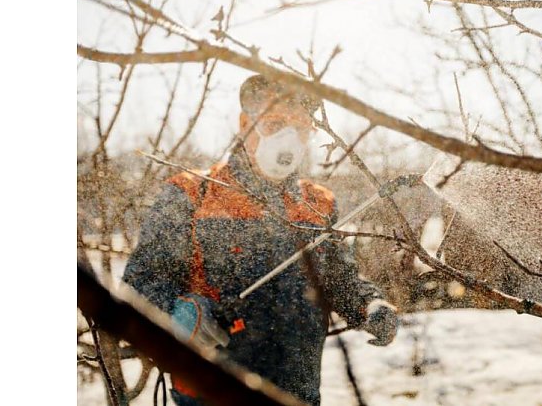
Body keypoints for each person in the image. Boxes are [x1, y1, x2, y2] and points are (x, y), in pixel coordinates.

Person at [122, 74, 398, 405]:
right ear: (245, 124)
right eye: (275, 124)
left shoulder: (318, 203)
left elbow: (338, 278)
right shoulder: (191, 194)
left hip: (297, 390)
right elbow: (141, 283)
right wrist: (177, 314)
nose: (288, 139)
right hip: (208, 392)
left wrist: (369, 304)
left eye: (300, 129)